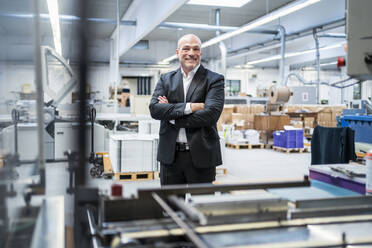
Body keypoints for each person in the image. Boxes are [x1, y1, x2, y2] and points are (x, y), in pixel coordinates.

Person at [149, 34, 225, 185]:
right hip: (171, 155)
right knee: (171, 206)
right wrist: (190, 107)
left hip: (202, 154)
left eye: (196, 49)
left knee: (202, 206)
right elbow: (155, 110)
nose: (191, 53)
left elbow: (210, 115)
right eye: (186, 49)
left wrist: (171, 115)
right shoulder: (166, 79)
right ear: (178, 53)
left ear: (200, 53)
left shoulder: (214, 80)